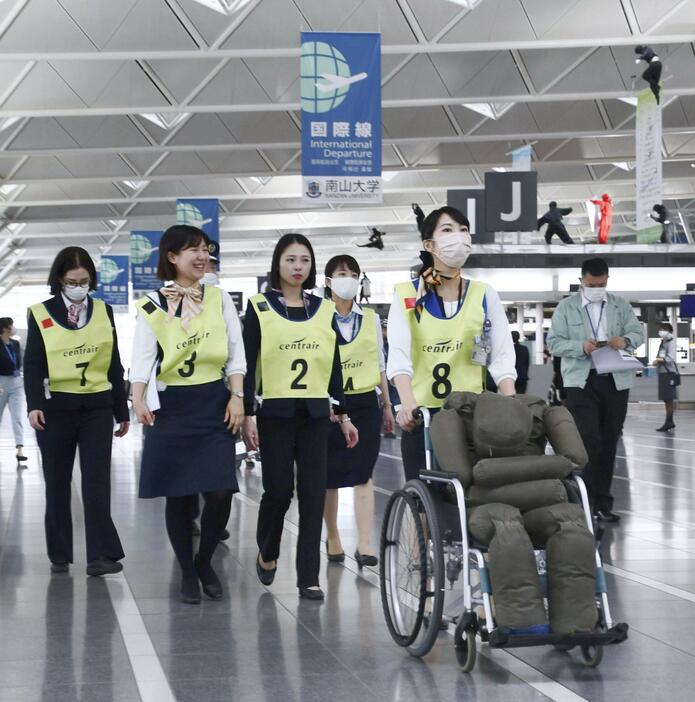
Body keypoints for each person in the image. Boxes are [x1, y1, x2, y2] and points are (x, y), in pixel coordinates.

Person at [131, 225, 245, 604]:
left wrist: (237, 397)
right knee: (178, 496)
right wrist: (138, 398)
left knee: (221, 491)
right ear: (172, 257)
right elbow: (143, 357)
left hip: (213, 404)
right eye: (192, 250)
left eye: (205, 249)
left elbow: (235, 352)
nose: (202, 256)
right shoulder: (152, 303)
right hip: (173, 409)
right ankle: (186, 570)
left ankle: (205, 559)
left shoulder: (220, 298)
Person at [242, 234, 358, 601]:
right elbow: (245, 366)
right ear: (278, 263)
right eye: (291, 259)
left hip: (314, 415)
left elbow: (334, 364)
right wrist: (246, 412)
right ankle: (268, 549)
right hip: (274, 414)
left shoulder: (324, 309)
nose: (297, 267)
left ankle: (309, 576)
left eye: (305, 261)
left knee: (312, 493)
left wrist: (343, 415)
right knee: (278, 492)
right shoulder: (258, 307)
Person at [387, 205, 517, 481]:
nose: (458, 237)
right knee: (422, 496)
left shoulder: (483, 294)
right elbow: (398, 353)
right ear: (429, 244)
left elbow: (502, 353)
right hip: (422, 416)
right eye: (447, 230)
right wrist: (407, 404)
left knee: (473, 492)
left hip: (471, 413)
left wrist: (510, 401)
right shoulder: (408, 294)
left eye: (463, 230)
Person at [24, 247, 129, 576]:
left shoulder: (103, 311)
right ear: (59, 280)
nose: (79, 286)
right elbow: (33, 363)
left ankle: (99, 556)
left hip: (96, 407)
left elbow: (113, 362)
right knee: (57, 482)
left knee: (96, 483)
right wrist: (33, 405)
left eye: (85, 281)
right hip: (55, 409)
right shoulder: (40, 313)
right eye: (72, 281)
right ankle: (59, 552)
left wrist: (121, 410)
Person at [547, 257, 644, 523]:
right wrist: (580, 346)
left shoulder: (619, 306)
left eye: (601, 284)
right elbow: (553, 343)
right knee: (589, 440)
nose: (597, 288)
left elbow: (638, 333)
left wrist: (624, 340)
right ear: (582, 281)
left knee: (610, 440)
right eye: (592, 284)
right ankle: (583, 500)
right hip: (581, 380)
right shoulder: (566, 308)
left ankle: (603, 502)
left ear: (607, 280)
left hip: (614, 380)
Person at [322, 255, 395, 568]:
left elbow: (380, 363)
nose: (348, 278)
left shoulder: (371, 319)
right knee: (330, 474)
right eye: (341, 273)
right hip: (330, 404)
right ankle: (333, 536)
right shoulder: (318, 316)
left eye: (354, 273)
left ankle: (365, 542)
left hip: (366, 402)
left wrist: (389, 404)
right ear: (327, 281)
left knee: (364, 472)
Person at [0, 317, 27, 467]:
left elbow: (20, 362)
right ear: (5, 328)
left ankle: (20, 449)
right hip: (1, 382)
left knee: (17, 417)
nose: (14, 327)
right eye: (12, 325)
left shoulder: (16, 344)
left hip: (16, 382)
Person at [654, 322, 678, 432]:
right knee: (666, 399)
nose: (660, 331)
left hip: (668, 373)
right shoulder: (664, 342)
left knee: (669, 399)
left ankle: (669, 421)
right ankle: (669, 421)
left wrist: (659, 360)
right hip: (664, 372)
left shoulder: (671, 341)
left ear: (668, 331)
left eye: (662, 329)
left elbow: (671, 357)